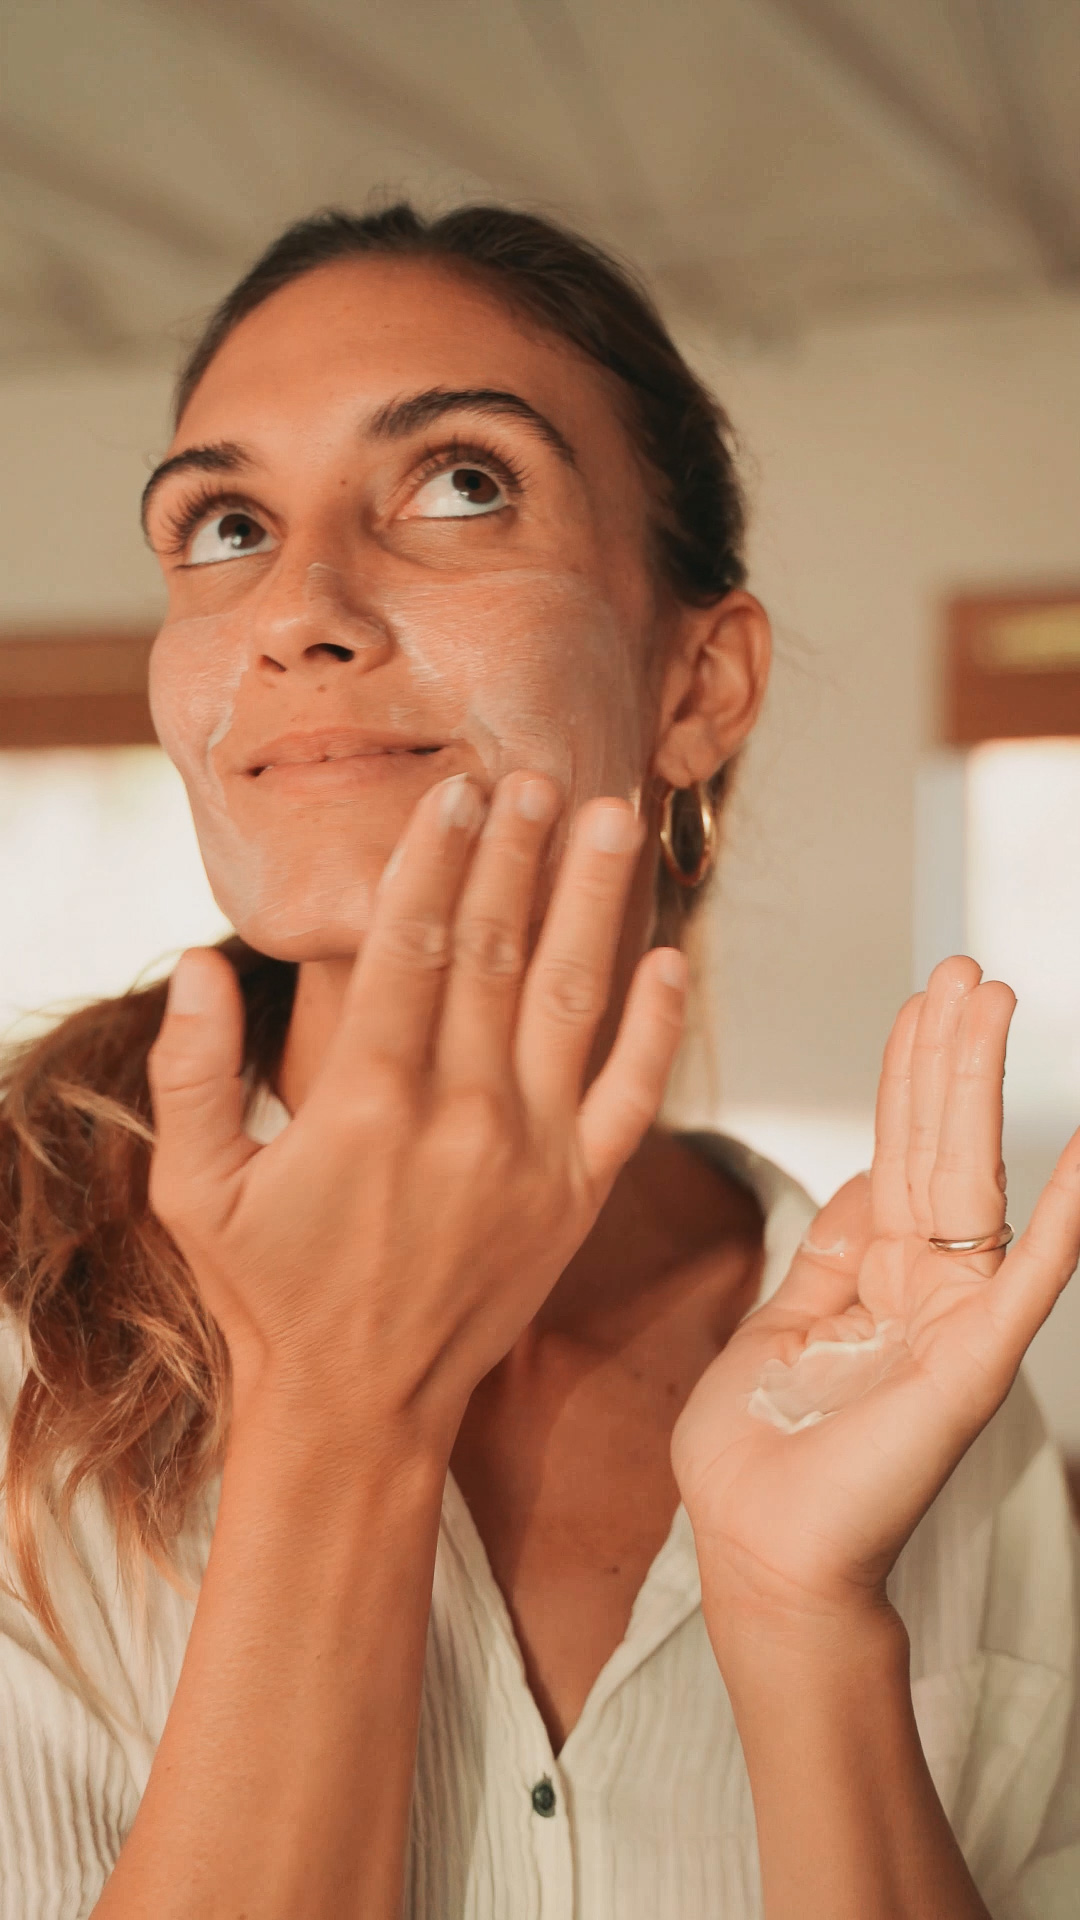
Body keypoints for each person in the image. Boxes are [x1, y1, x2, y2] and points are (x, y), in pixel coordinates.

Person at [0, 202, 1078, 1920]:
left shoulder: (940, 1421)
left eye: (459, 484)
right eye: (224, 524)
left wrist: (807, 1623)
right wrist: (343, 1411)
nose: (299, 608)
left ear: (698, 684)